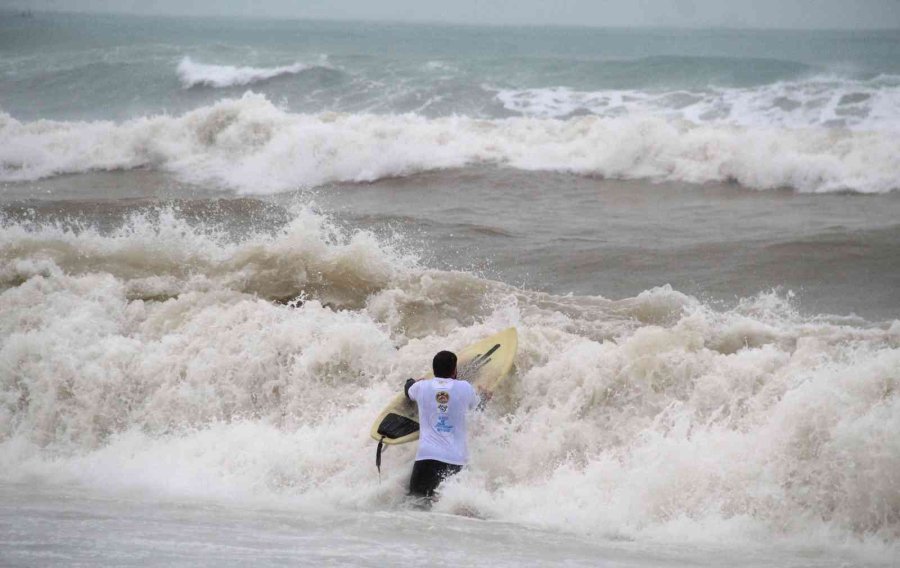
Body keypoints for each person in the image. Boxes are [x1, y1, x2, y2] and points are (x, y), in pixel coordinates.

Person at [404, 350, 487, 499]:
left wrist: (413, 381)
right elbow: (478, 407)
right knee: (450, 515)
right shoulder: (465, 387)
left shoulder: (421, 387)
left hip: (426, 459)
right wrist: (485, 396)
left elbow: (407, 389)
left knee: (415, 507)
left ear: (433, 370)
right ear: (455, 370)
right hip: (455, 461)